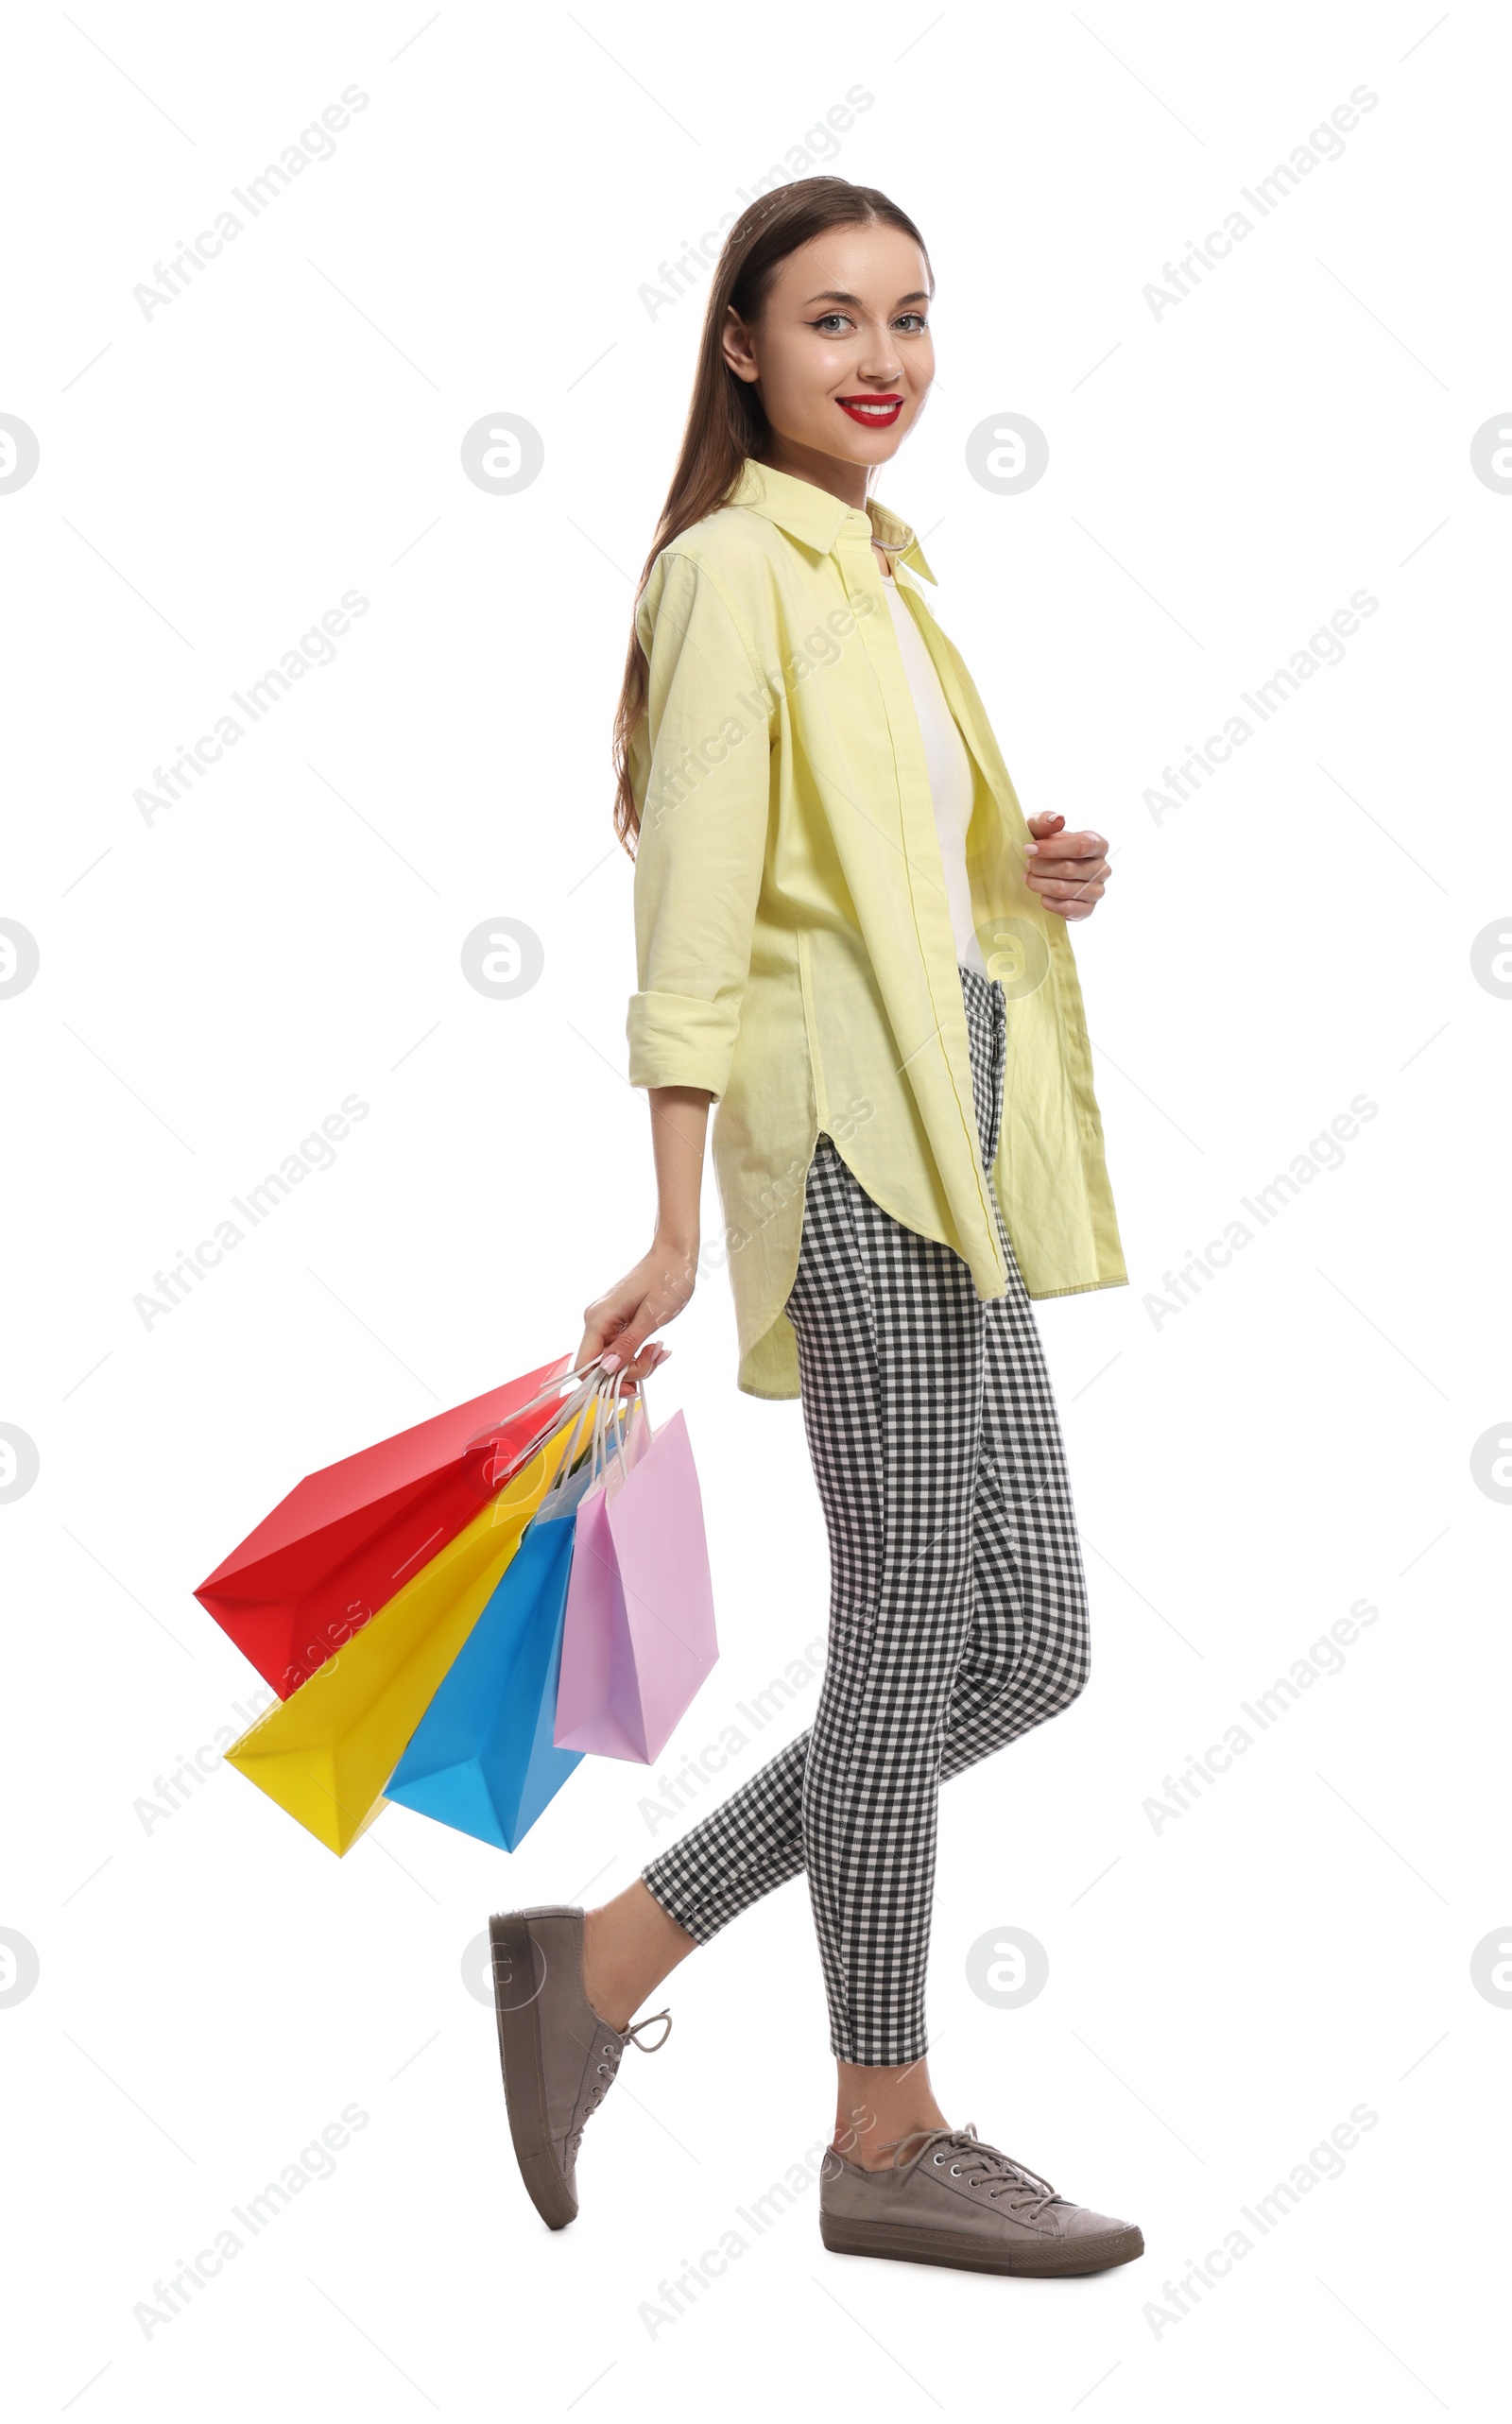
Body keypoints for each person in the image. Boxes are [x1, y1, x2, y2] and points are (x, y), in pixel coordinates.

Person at [490, 175, 1143, 2279]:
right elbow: (692, 912)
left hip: (949, 1149)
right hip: (846, 1161)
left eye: (913, 317)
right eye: (835, 319)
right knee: (899, 1639)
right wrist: (670, 1219)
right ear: (741, 349)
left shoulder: (880, 567)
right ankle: (882, 2125)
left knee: (1020, 1643)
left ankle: (594, 1957)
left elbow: (863, 880)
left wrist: (1007, 880)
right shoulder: (727, 573)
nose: (884, 359)